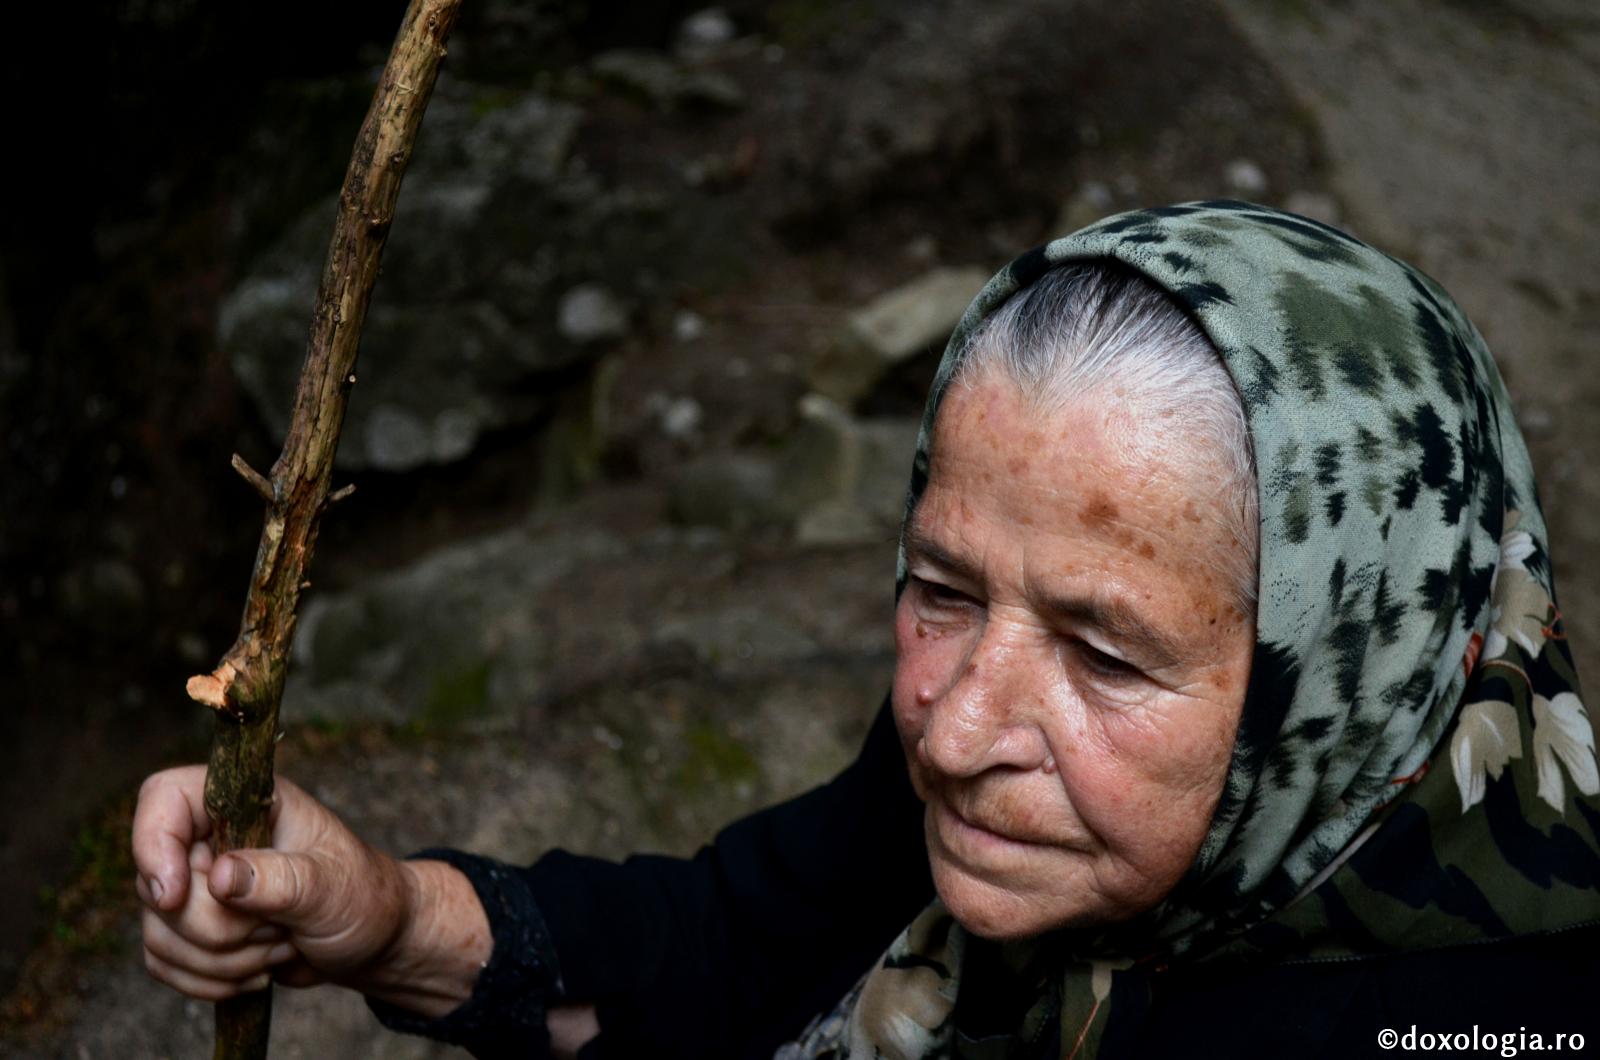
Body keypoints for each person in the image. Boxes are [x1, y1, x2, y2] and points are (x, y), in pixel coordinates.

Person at [132, 201, 1600, 1058]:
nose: (955, 730)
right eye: (944, 588)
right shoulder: (1017, 792)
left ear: (1345, 684)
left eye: (1106, 655)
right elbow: (744, 947)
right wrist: (388, 919)